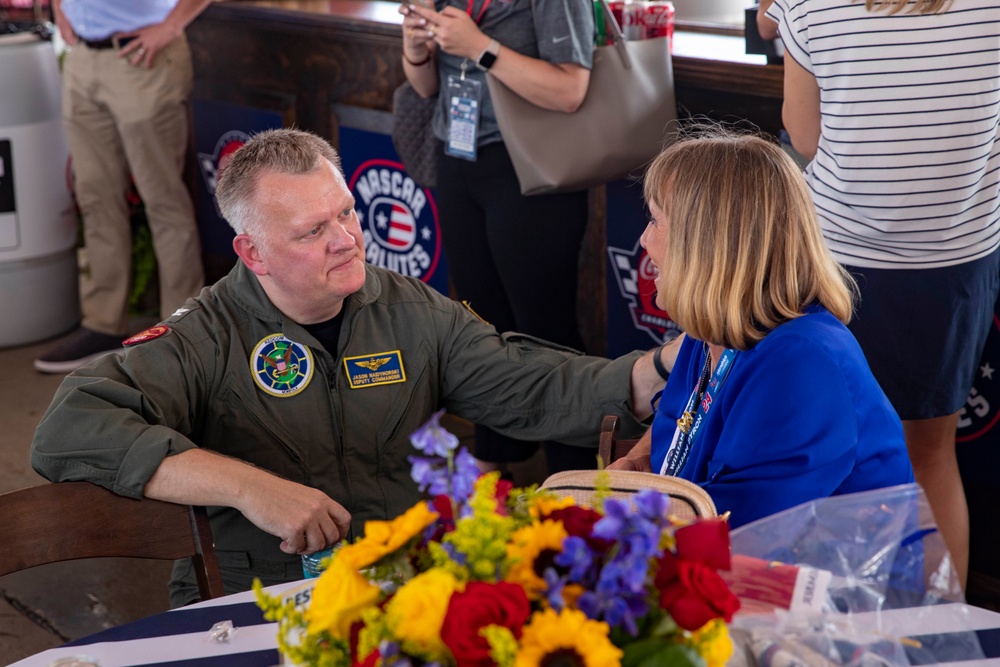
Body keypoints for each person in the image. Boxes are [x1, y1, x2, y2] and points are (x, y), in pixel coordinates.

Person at [31, 128, 665, 607]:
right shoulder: (204, 335)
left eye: (346, 212)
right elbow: (70, 427)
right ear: (252, 252)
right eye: (312, 232)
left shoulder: (408, 308)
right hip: (255, 601)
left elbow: (530, 386)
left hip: (402, 591)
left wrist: (662, 367)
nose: (346, 239)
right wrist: (250, 487)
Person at [766, 0, 1000, 587]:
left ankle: (838, 632)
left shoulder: (809, 5)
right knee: (932, 454)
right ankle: (944, 634)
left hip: (840, 261)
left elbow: (804, 133)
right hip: (956, 261)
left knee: (832, 452)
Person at [607, 130, 914, 529]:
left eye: (656, 220)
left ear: (709, 245)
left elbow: (744, 530)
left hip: (816, 583)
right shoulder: (712, 332)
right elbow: (678, 433)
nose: (645, 239)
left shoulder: (802, 364)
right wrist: (638, 462)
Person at [398, 0, 597, 475]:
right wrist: (415, 50)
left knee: (544, 330)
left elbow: (571, 89)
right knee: (481, 324)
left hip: (530, 167)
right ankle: (496, 455)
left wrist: (482, 48)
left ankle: (573, 475)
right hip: (458, 158)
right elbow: (426, 87)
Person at [34, 0, 208, 374]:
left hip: (143, 57)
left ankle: (181, 334)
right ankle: (103, 324)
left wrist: (173, 24)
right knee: (95, 198)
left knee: (163, 201)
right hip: (82, 58)